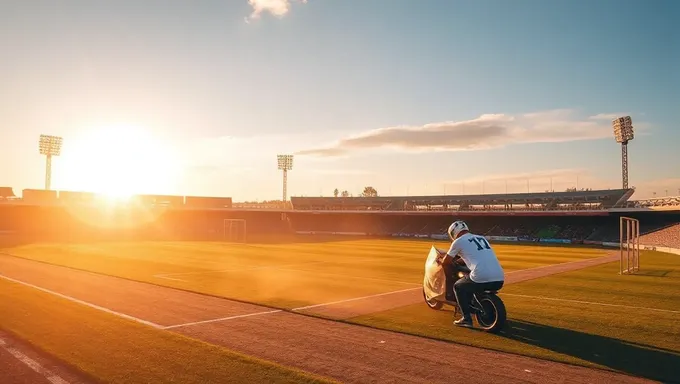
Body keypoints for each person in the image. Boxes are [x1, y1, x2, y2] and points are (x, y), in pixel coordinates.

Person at [437, 220, 505, 328]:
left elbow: (447, 261)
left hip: (482, 275)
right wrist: (458, 261)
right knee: (471, 283)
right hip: (499, 277)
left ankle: (466, 319)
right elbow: (472, 256)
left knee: (458, 286)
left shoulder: (458, 241)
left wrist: (441, 261)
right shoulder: (481, 238)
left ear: (453, 232)